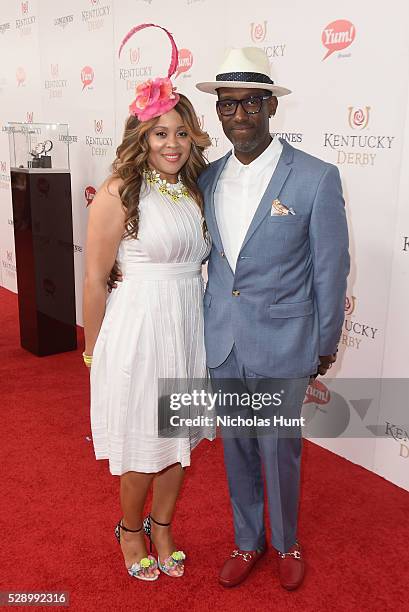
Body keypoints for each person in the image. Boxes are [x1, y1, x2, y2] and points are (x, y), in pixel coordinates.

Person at [195, 47, 350, 590]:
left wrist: (324, 342)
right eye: (229, 104)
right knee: (235, 445)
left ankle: (285, 541)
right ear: (218, 110)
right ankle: (246, 539)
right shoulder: (207, 179)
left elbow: (331, 268)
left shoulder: (315, 177)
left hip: (285, 341)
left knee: (279, 450)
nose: (240, 116)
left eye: (252, 103)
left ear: (271, 107)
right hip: (225, 341)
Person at [83, 25, 214, 582]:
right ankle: (130, 529)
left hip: (186, 324)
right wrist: (92, 352)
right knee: (143, 442)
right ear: (142, 135)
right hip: (138, 328)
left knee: (178, 439)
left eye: (181, 133)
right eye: (160, 133)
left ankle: (163, 525)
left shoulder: (194, 188)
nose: (172, 144)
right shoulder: (119, 191)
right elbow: (93, 278)